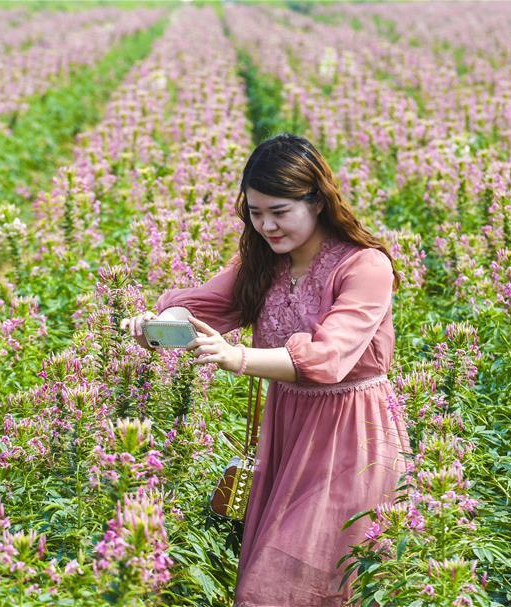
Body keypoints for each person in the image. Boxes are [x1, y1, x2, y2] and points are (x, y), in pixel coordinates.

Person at [120, 133, 410, 606]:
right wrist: (154, 326)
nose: (267, 226)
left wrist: (238, 358)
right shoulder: (262, 262)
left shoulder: (365, 266)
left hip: (350, 440)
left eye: (279, 212)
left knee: (294, 582)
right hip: (287, 430)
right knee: (277, 577)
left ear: (317, 200)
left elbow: (329, 357)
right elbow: (204, 308)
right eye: (256, 213)